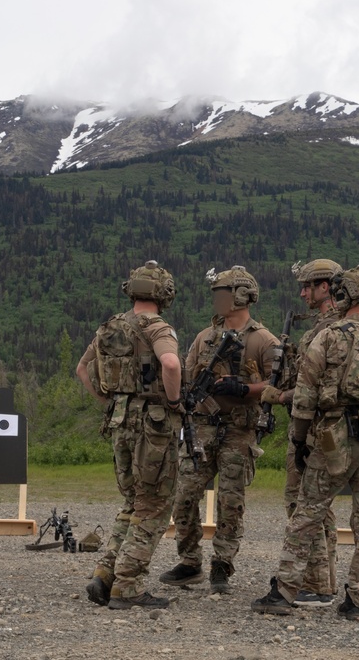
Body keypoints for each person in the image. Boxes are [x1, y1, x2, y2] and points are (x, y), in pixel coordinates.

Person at [251, 264, 359, 621]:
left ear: (345, 294)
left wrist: (299, 437)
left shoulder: (331, 335)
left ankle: (284, 592)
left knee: (307, 512)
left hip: (334, 438)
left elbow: (306, 393)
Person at [159, 266, 279, 594]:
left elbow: (280, 386)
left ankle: (222, 565)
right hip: (201, 429)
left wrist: (245, 389)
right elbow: (185, 375)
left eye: (223, 292)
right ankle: (190, 561)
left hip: (239, 431)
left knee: (231, 502)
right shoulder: (205, 338)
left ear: (241, 295)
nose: (217, 299)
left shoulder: (263, 340)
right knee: (183, 496)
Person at [76, 260, 182, 610]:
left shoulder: (109, 328)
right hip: (152, 427)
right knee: (154, 506)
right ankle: (129, 585)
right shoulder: (156, 328)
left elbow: (82, 369)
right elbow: (170, 364)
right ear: (164, 292)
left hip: (119, 422)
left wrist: (108, 400)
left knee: (132, 503)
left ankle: (105, 575)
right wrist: (174, 401)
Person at [259, 259, 343, 607]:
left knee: (301, 504)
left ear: (326, 287)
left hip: (313, 430)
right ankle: (323, 580)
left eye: (309, 286)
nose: (303, 292)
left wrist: (278, 395)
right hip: (319, 429)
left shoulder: (331, 330)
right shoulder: (329, 326)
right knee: (319, 508)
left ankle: (315, 584)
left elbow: (323, 388)